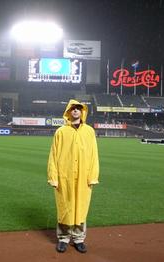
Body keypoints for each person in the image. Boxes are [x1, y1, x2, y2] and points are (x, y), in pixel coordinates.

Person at [47, 99, 99, 253]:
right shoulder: (61, 132)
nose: (75, 111)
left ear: (82, 111)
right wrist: (53, 177)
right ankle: (63, 238)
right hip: (65, 176)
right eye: (73, 108)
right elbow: (53, 155)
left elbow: (94, 155)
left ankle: (78, 238)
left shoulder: (89, 131)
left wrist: (93, 176)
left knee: (80, 208)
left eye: (78, 108)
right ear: (68, 111)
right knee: (65, 208)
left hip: (84, 176)